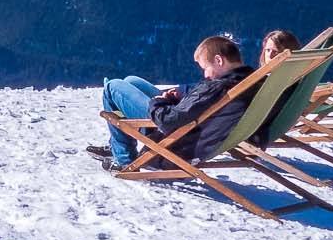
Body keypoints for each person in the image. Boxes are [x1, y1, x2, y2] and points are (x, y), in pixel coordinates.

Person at [90, 34, 255, 170]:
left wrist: (158, 102)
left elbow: (168, 121)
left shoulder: (220, 86)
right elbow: (199, 100)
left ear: (219, 60)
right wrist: (180, 94)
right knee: (132, 81)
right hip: (182, 123)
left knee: (113, 88)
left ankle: (122, 158)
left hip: (171, 133)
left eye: (205, 67)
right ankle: (117, 144)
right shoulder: (245, 80)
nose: (205, 75)